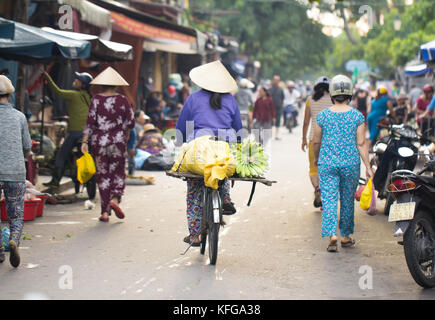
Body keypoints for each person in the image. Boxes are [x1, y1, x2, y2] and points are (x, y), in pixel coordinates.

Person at [176, 60, 242, 246]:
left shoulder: (194, 98)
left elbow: (181, 127)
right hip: (224, 147)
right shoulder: (230, 99)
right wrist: (239, 147)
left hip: (199, 149)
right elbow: (238, 129)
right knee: (222, 169)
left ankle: (194, 235)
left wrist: (179, 146)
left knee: (195, 190)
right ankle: (226, 197)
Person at [313, 75, 374, 253]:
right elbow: (361, 143)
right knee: (347, 200)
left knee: (330, 199)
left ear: (332, 94)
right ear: (350, 95)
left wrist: (317, 158)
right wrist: (368, 167)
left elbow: (316, 141)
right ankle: (346, 236)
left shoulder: (323, 115)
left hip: (327, 164)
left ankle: (332, 235)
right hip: (350, 164)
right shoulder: (357, 116)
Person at [81, 67, 135, 223]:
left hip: (99, 143)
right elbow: (130, 123)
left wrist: (85, 141)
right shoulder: (123, 100)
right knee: (117, 173)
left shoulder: (96, 100)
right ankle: (115, 200)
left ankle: (105, 212)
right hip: (117, 142)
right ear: (116, 85)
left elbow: (90, 122)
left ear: (101, 85)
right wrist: (123, 129)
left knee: (103, 176)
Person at [0, 75, 32, 267]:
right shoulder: (19, 117)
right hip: (15, 172)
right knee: (16, 213)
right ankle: (13, 239)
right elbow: (27, 146)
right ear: (10, 95)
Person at [42, 70, 93, 188]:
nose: (74, 81)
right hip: (87, 133)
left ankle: (55, 181)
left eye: (77, 80)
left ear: (83, 85)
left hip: (75, 132)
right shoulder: (89, 98)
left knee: (61, 154)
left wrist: (47, 77)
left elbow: (57, 92)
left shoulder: (74, 95)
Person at [301, 76, 331, 210]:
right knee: (329, 169)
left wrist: (303, 139)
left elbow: (306, 122)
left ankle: (317, 188)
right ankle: (326, 195)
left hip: (314, 139)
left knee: (314, 169)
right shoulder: (334, 100)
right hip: (331, 140)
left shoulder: (310, 100)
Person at [269, 75, 284, 140]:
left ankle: (276, 135)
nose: (276, 81)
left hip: (278, 107)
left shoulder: (280, 89)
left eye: (277, 80)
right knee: (270, 121)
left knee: (277, 121)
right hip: (270, 108)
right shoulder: (270, 89)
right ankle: (270, 134)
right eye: (275, 80)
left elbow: (282, 98)